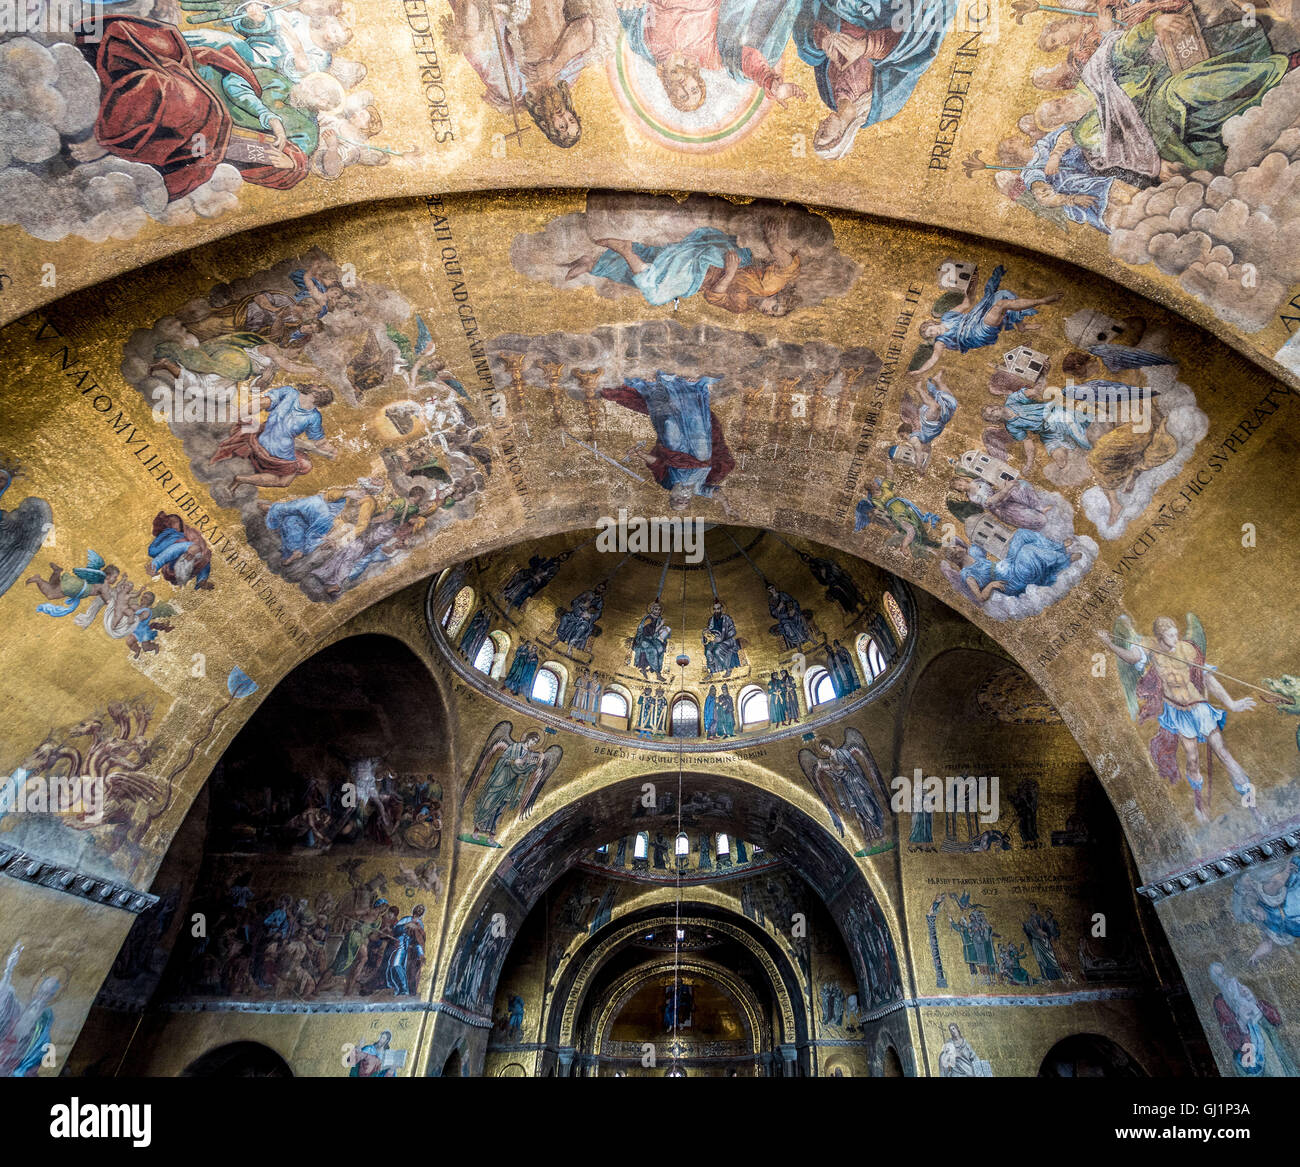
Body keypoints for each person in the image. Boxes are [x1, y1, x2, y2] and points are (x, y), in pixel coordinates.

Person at [566, 218, 800, 315]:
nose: (768, 309)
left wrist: (728, 277)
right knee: (656, 294)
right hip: (709, 263)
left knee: (651, 262)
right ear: (778, 295)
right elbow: (788, 267)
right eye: (775, 305)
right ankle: (625, 250)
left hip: (699, 279)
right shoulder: (769, 285)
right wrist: (774, 243)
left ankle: (591, 264)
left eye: (772, 313)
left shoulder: (741, 306)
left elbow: (714, 298)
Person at [617, 0, 808, 112]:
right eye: (693, 90)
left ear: (671, 93)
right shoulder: (709, 58)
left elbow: (629, 11)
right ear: (698, 81)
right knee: (744, 74)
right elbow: (741, 59)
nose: (685, 87)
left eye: (683, 96)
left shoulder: (646, 46)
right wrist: (768, 81)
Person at [601, 373, 734, 509]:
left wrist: (640, 453)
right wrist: (726, 506)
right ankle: (691, 387)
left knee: (669, 423)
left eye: (678, 500)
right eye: (685, 502)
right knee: (695, 421)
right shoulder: (699, 489)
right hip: (701, 456)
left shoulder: (667, 484)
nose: (683, 498)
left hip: (675, 454)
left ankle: (658, 386)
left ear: (672, 497)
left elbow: (657, 464)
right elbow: (716, 493)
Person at [913, 265, 1061, 372]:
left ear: (932, 323)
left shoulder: (947, 316)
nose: (933, 333)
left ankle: (1021, 326)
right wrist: (919, 371)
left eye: (930, 330)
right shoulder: (940, 342)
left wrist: (972, 285)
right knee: (1001, 305)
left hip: (976, 316)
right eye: (930, 335)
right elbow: (934, 359)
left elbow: (966, 303)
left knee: (1002, 295)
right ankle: (1043, 300)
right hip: (977, 333)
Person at [210, 384, 337, 489]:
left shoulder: (289, 392)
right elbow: (319, 442)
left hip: (258, 440)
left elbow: (260, 403)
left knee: (256, 427)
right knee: (286, 480)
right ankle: (240, 479)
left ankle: (238, 475)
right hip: (278, 455)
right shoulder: (314, 416)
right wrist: (333, 450)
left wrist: (239, 414)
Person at [1210, 962, 1297, 1076]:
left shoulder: (1240, 988)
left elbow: (1276, 1020)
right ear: (1216, 982)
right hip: (1249, 1049)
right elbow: (1232, 1039)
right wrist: (1242, 1023)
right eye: (1219, 976)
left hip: (1267, 1041)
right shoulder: (1220, 1002)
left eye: (1224, 973)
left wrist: (1254, 1000)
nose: (1224, 977)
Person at [702, 600, 741, 677]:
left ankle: (728, 668)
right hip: (714, 641)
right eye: (715, 609)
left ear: (722, 609)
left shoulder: (727, 619)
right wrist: (706, 633)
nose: (716, 611)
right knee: (708, 652)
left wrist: (722, 638)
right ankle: (712, 671)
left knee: (717, 651)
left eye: (718, 609)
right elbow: (710, 631)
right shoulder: (711, 620)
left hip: (727, 640)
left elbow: (733, 631)